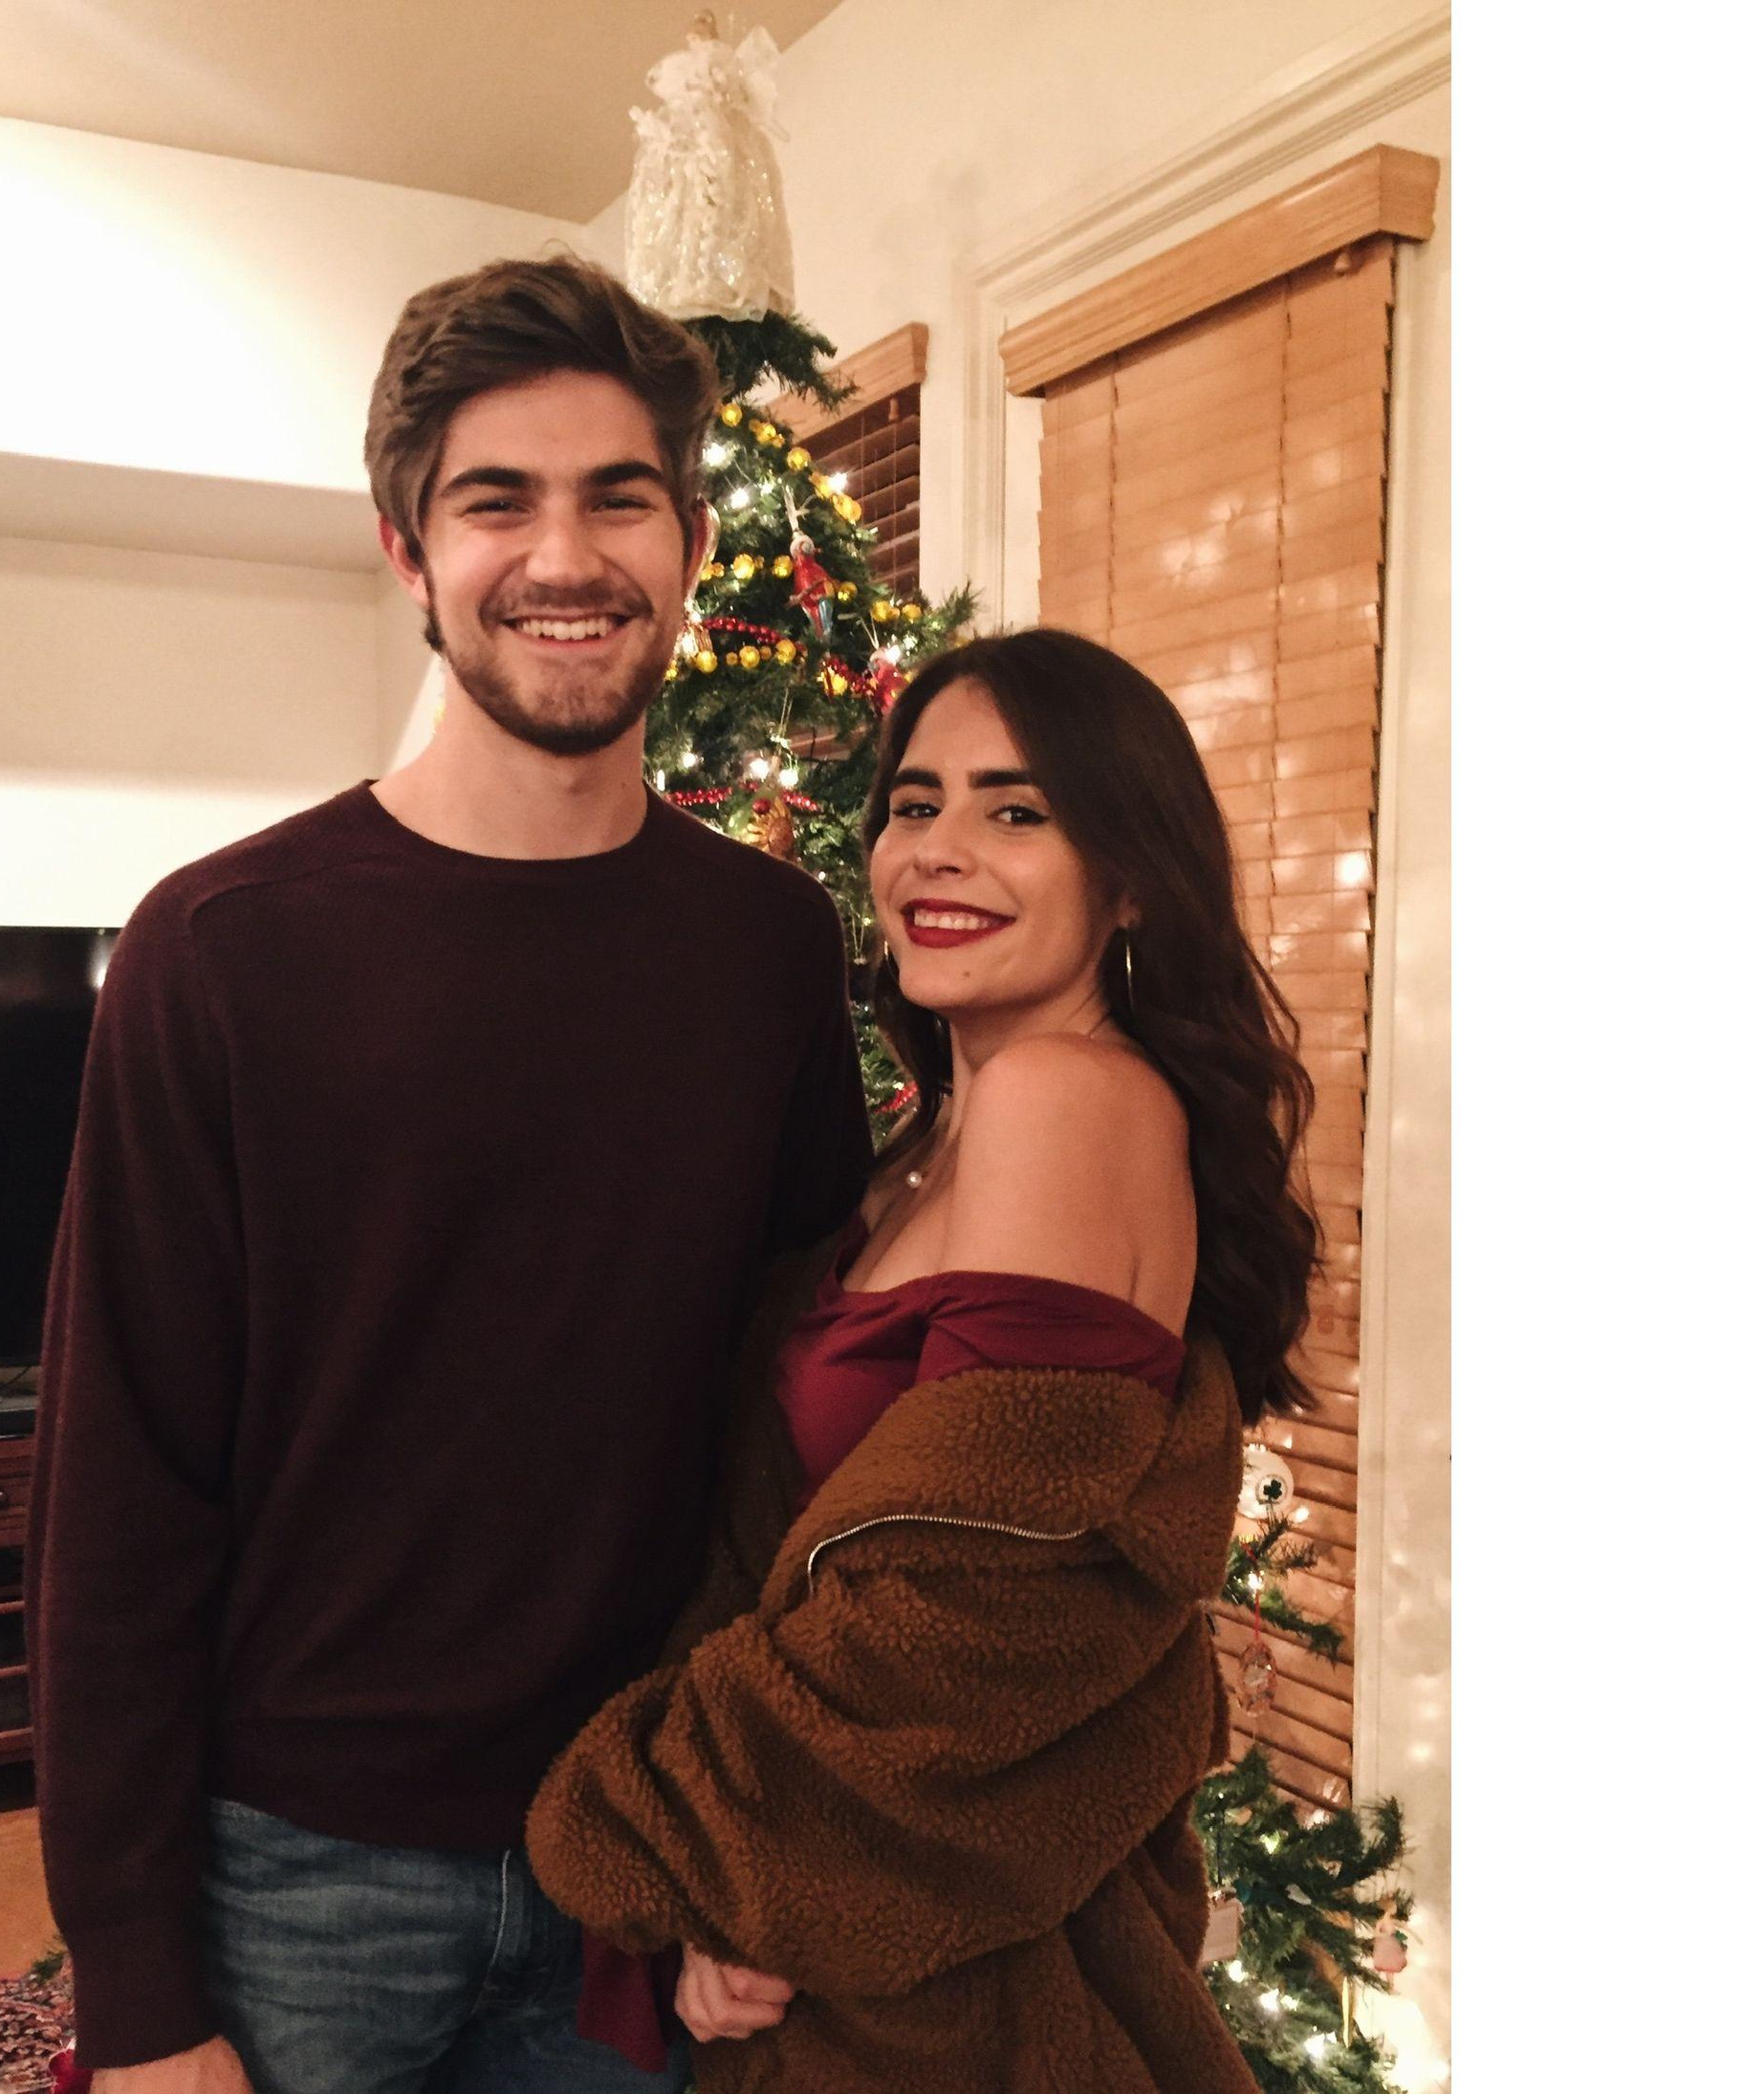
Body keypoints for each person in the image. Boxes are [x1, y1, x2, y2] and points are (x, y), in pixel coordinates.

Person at [26, 254, 874, 2094]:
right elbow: (121, 1486)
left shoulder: (768, 948)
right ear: (409, 550)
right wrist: (140, 1989)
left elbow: (801, 1428)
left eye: (618, 497)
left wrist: (762, 1825)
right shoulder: (220, 949)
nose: (563, 556)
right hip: (295, 1874)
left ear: (689, 542)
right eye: (498, 500)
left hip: (640, 1848)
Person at [528, 627, 1320, 2091]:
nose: (938, 849)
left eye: (1016, 810)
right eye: (914, 802)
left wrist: (658, 1832)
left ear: (1129, 877)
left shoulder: (1062, 1097)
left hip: (978, 2006)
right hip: (863, 1954)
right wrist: (729, 1903)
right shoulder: (923, 1138)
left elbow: (966, 1612)